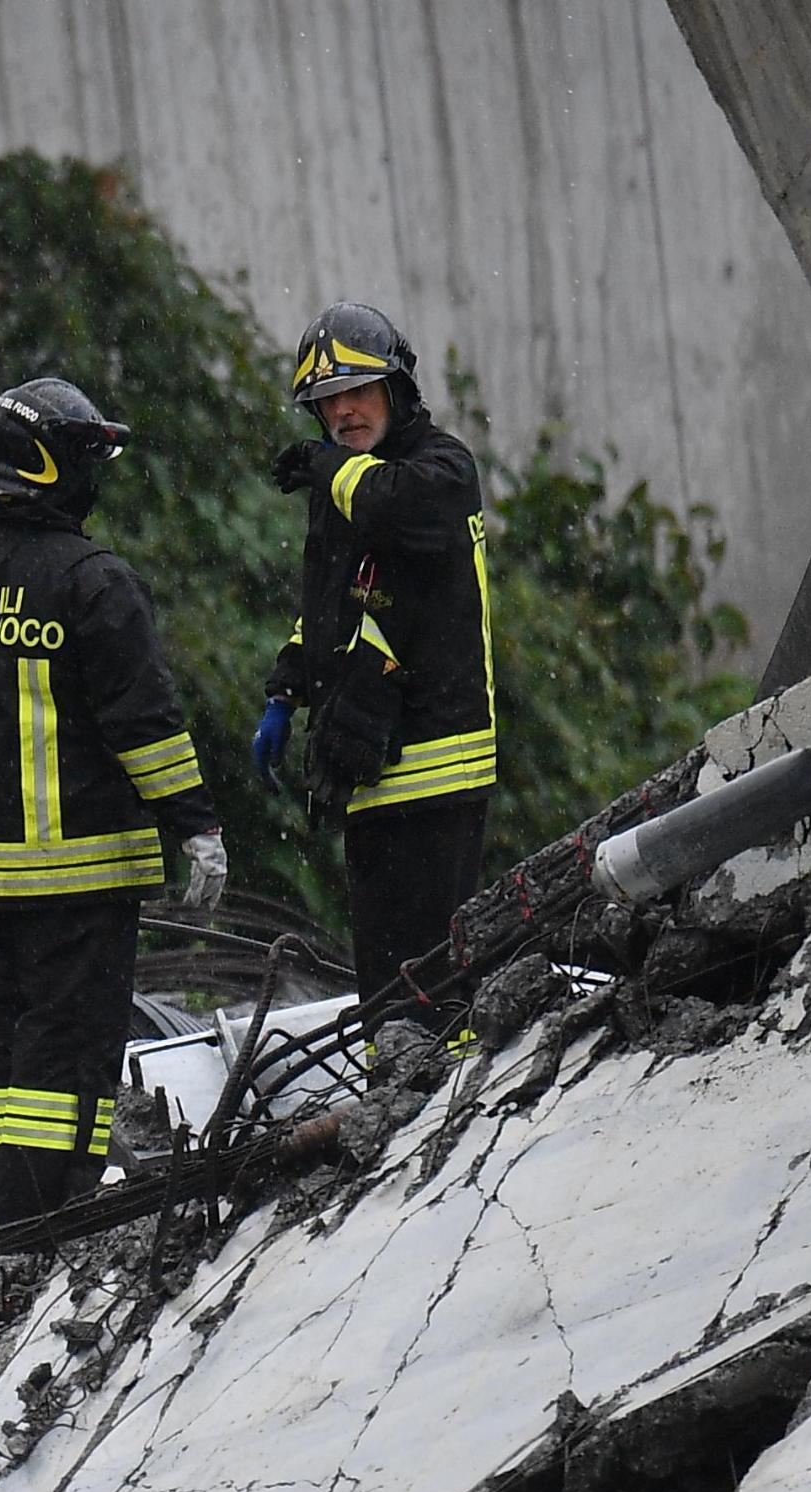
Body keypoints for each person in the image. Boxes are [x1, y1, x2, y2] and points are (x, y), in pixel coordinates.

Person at [0, 378, 224, 1227]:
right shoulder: (94, 583)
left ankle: (5, 1216)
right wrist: (195, 827)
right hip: (80, 883)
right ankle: (50, 1225)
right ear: (52, 469)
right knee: (69, 1061)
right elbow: (144, 726)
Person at [251, 302, 495, 1032]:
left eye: (359, 392)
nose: (343, 412)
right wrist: (285, 691)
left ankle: (448, 1118)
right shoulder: (344, 481)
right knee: (386, 997)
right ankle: (396, 1121)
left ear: (397, 390)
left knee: (435, 989)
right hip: (368, 774)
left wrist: (335, 471)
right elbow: (332, 603)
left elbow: (396, 509)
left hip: (437, 763)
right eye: (328, 402)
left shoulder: (442, 469)